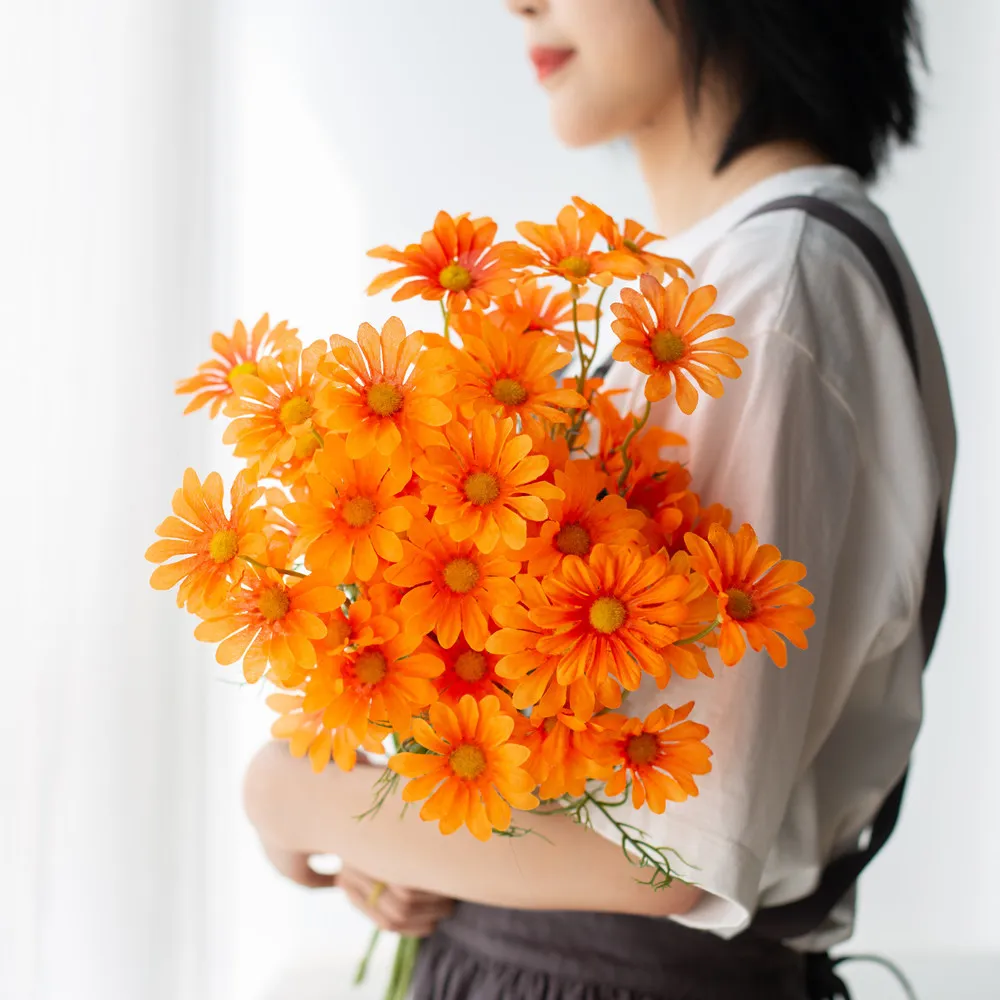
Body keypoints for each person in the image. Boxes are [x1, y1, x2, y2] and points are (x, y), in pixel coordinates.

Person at [242, 1, 957, 997]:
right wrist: (411, 826)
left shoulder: (773, 290)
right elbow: (570, 770)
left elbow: (664, 852)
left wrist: (292, 792)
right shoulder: (723, 277)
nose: (520, 2)